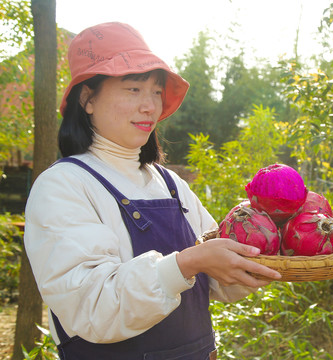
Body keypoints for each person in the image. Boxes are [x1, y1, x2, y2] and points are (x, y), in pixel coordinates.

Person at [24, 21, 281, 360]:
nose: (150, 107)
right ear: (87, 98)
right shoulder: (64, 186)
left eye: (157, 92)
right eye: (134, 89)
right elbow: (93, 307)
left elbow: (220, 283)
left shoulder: (172, 184)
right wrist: (187, 262)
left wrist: (262, 256)